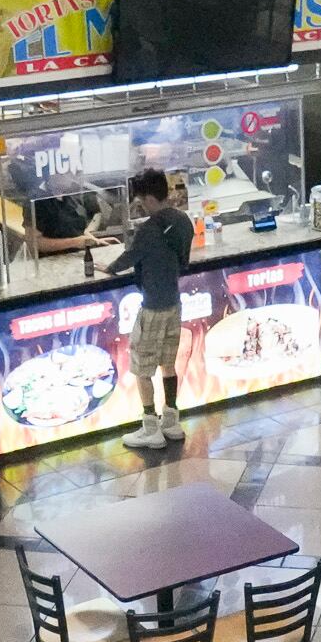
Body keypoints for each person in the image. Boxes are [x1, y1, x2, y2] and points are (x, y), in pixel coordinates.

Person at [109, 169, 198, 450]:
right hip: (174, 303)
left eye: (142, 200)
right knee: (169, 363)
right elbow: (184, 258)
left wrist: (108, 268)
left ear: (149, 197)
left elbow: (129, 258)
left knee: (142, 367)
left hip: (152, 307)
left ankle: (150, 427)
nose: (142, 205)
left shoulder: (148, 230)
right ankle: (171, 421)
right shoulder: (183, 220)